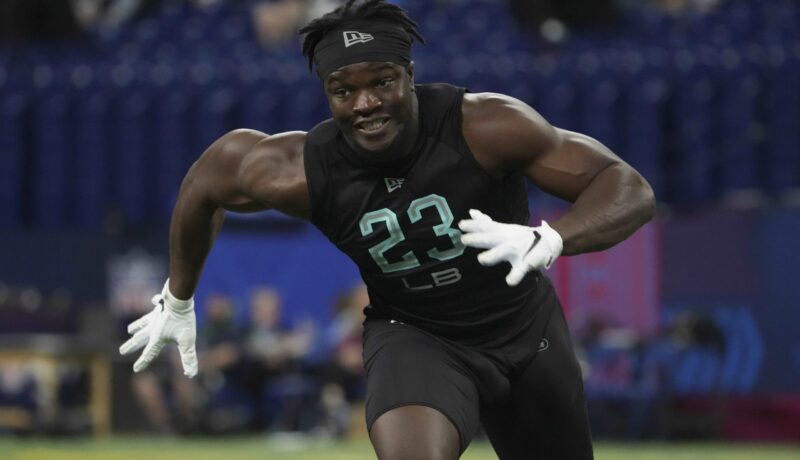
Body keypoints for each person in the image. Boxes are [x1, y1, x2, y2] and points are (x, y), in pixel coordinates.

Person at [119, 0, 656, 458]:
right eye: (343, 90)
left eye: (381, 82)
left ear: (410, 76)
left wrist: (552, 237)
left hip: (523, 327)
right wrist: (179, 298)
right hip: (416, 335)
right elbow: (205, 183)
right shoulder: (300, 170)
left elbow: (627, 186)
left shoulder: (484, 126)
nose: (366, 104)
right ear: (326, 94)